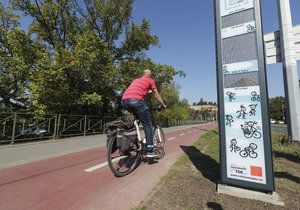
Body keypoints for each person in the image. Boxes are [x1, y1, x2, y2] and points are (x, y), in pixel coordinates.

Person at [121, 69, 166, 157]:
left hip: (124, 101)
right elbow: (157, 95)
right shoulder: (150, 80)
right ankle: (150, 150)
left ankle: (131, 143)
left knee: (137, 121)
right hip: (136, 101)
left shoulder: (136, 80)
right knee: (147, 125)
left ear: (143, 74)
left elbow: (137, 91)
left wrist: (146, 92)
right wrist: (163, 104)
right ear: (150, 75)